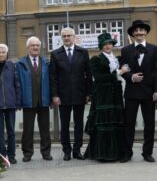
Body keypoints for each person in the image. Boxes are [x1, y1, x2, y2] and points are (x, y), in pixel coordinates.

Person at [119, 20, 157, 162]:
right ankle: (127, 152)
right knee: (128, 124)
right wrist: (131, 77)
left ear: (146, 32)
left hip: (149, 92)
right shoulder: (126, 50)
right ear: (132, 33)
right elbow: (123, 69)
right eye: (136, 31)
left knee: (149, 124)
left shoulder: (154, 49)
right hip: (131, 92)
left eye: (142, 30)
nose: (139, 32)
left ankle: (147, 153)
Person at [85, 33, 130, 162]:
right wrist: (118, 73)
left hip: (116, 96)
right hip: (103, 97)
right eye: (105, 44)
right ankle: (104, 154)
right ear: (101, 46)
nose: (108, 46)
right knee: (104, 124)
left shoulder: (116, 59)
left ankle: (117, 153)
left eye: (109, 43)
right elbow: (98, 78)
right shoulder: (96, 59)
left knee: (116, 123)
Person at [50, 27, 92, 161]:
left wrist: (88, 93)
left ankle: (77, 150)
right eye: (64, 36)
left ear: (74, 37)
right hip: (63, 95)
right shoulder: (56, 54)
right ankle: (66, 150)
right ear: (61, 38)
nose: (67, 38)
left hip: (80, 94)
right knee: (65, 124)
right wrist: (55, 95)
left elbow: (88, 74)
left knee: (79, 124)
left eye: (69, 36)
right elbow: (53, 77)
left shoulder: (83, 52)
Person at [16, 37, 53, 162]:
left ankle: (46, 152)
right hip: (28, 101)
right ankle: (27, 153)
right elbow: (18, 84)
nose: (35, 47)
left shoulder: (46, 62)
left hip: (44, 100)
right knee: (28, 130)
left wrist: (52, 98)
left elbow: (51, 81)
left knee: (45, 129)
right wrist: (19, 100)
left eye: (37, 45)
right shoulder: (20, 64)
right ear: (28, 47)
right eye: (33, 45)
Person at [0, 43, 21, 163]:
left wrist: (17, 101)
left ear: (6, 54)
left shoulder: (11, 66)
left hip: (10, 103)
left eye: (3, 52)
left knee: (11, 130)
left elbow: (16, 84)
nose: (1, 54)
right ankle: (2, 154)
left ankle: (11, 155)